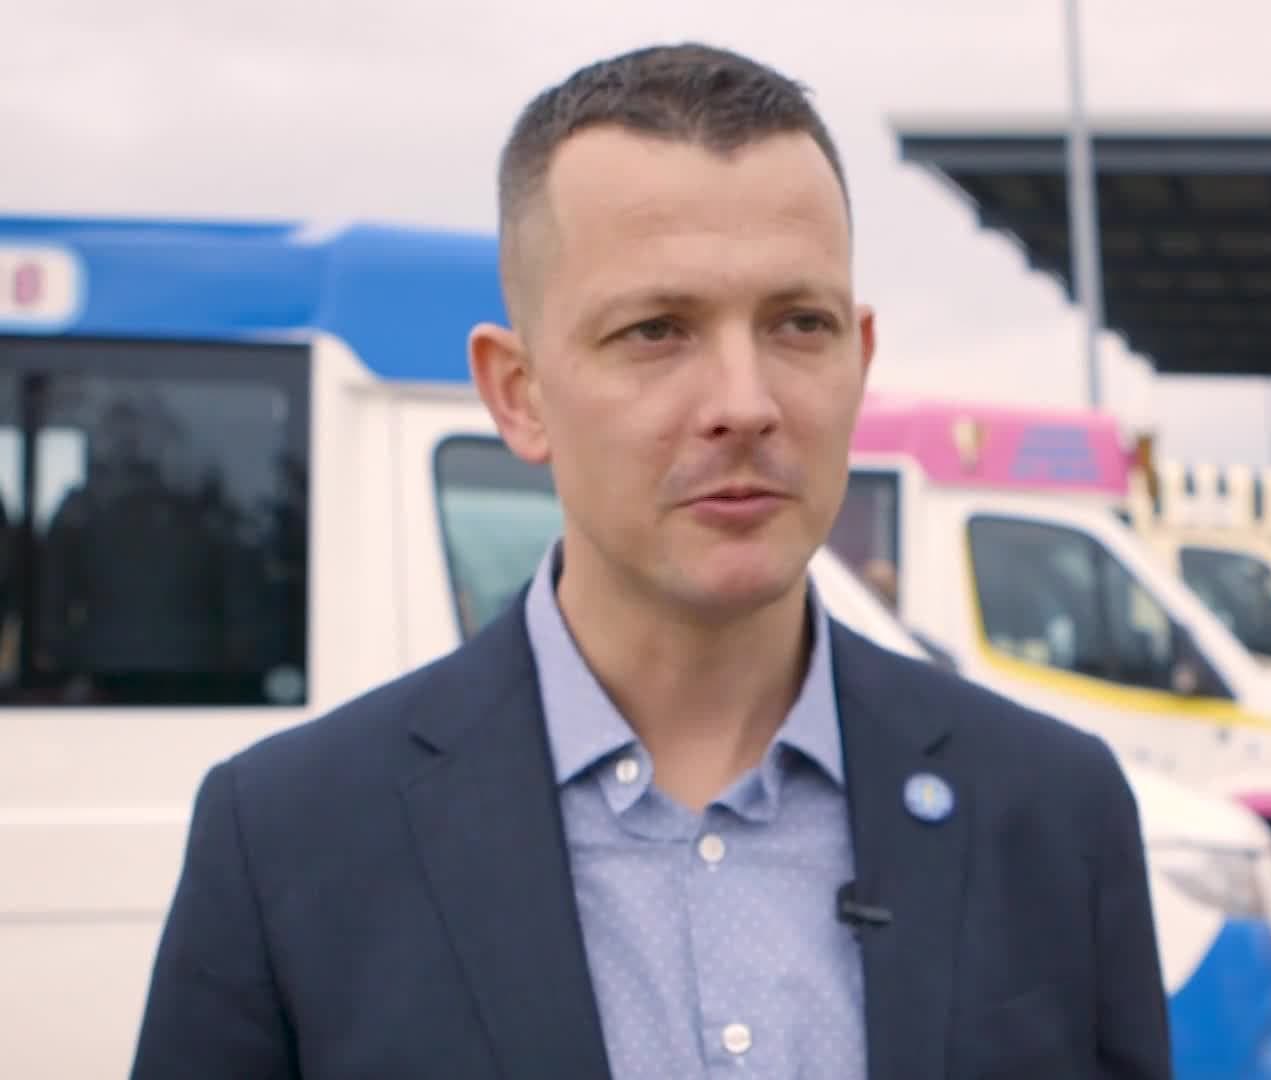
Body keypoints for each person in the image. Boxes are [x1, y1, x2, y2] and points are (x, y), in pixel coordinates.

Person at [130, 44, 1172, 1080]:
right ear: (518, 392)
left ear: (861, 358)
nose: (744, 402)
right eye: (656, 330)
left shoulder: (1050, 812)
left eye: (798, 324)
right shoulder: (289, 845)